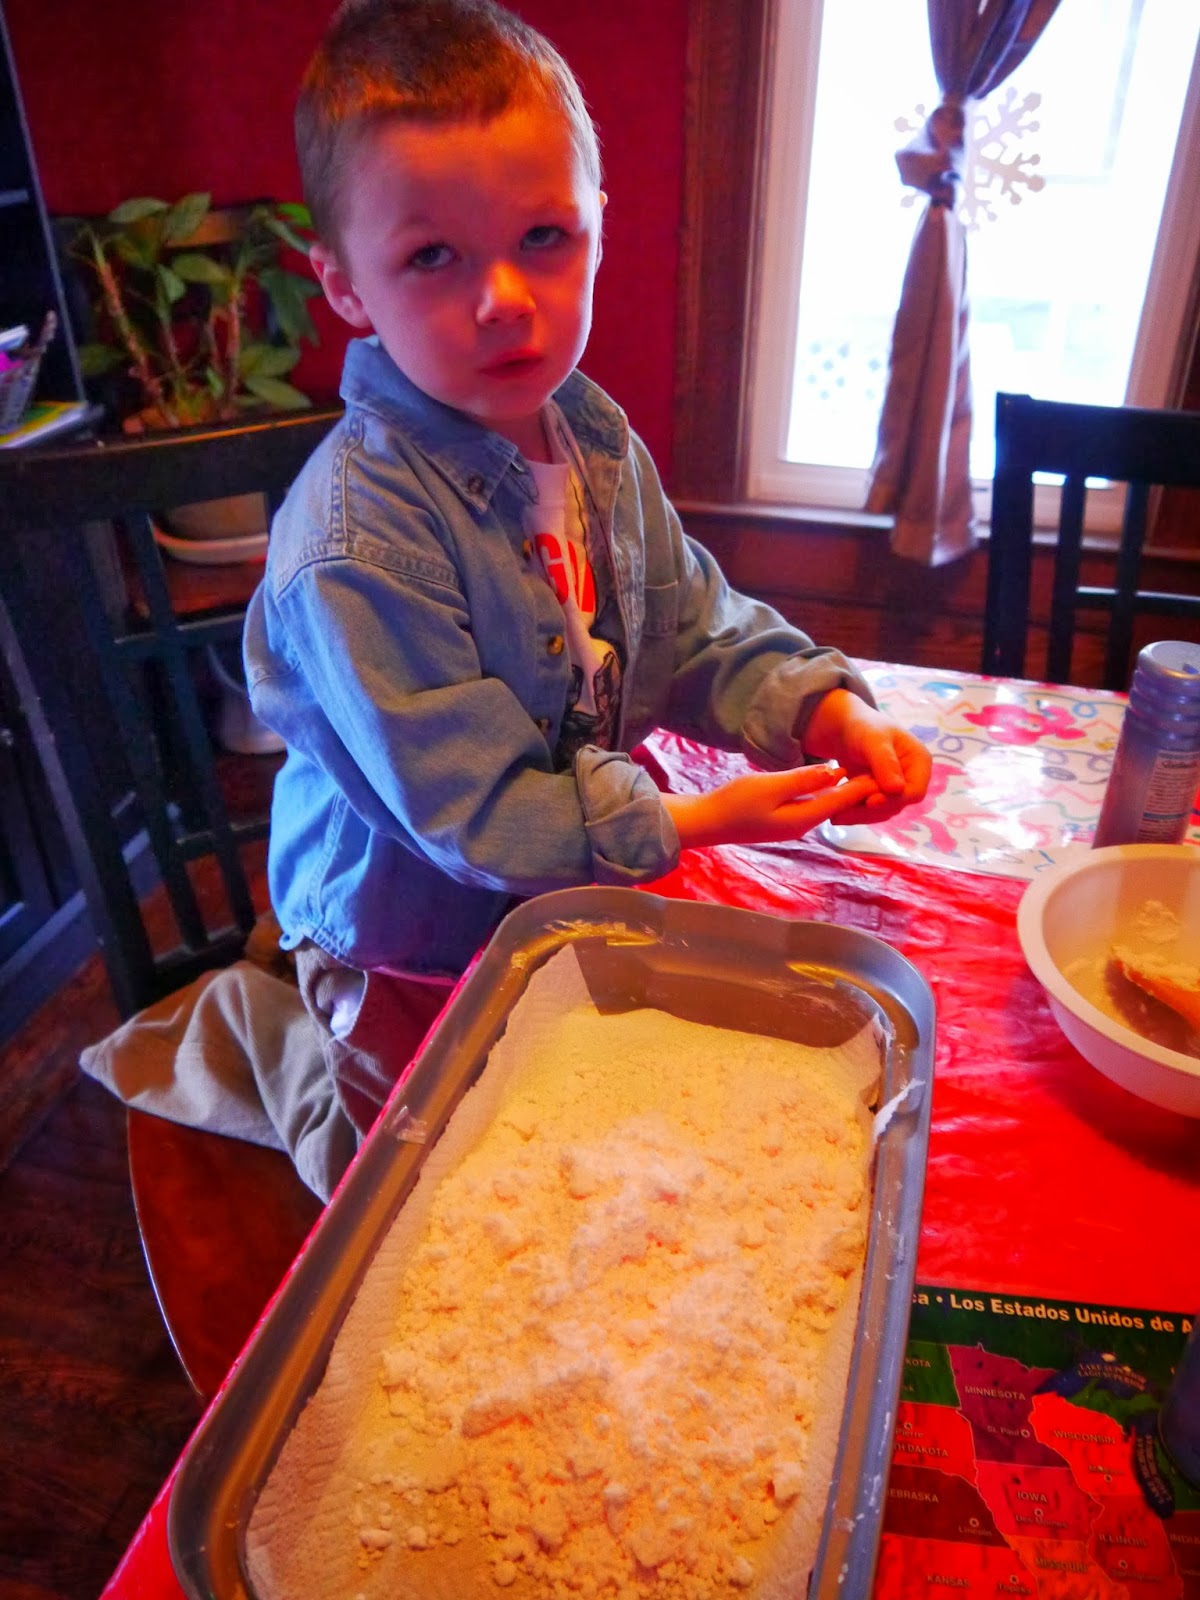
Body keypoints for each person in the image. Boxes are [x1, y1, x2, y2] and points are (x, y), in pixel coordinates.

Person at [243, 0, 931, 1151]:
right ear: (345, 284)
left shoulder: (589, 437)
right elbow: (474, 814)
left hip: (563, 903)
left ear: (599, 225)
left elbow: (695, 623)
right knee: (427, 1160)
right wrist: (697, 817)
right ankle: (309, 1090)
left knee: (566, 1117)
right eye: (431, 256)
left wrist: (818, 703)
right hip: (410, 939)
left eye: (543, 238)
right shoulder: (355, 546)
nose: (504, 296)